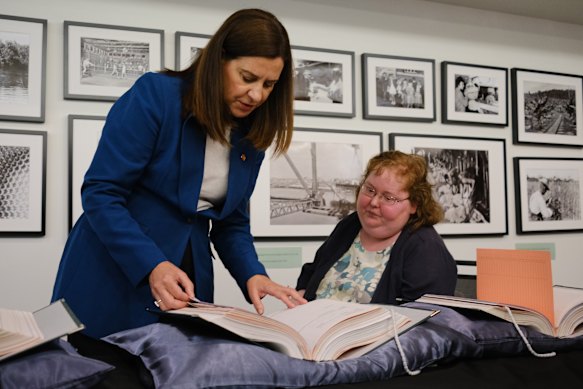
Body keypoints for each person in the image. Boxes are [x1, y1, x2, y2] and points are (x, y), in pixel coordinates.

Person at [51, 8, 306, 339]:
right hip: (114, 266)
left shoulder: (252, 133)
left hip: (188, 273)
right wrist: (151, 264)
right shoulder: (156, 95)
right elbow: (102, 193)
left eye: (269, 84)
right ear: (218, 62)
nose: (257, 95)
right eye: (247, 77)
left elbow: (231, 223)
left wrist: (253, 274)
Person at [295, 150, 457, 304]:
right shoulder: (351, 224)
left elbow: (426, 320)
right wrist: (301, 296)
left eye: (388, 197)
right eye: (370, 190)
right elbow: (312, 271)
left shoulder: (425, 248)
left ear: (414, 204)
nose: (373, 202)